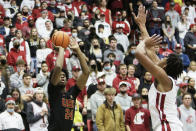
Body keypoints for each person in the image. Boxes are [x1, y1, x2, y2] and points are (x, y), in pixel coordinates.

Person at [133, 5, 183, 131]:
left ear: (165, 66)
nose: (160, 59)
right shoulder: (165, 76)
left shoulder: (163, 77)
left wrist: (144, 43)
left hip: (168, 127)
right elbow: (150, 50)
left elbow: (139, 53)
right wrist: (142, 25)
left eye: (164, 59)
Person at [47, 38, 89, 131]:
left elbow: (86, 72)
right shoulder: (53, 90)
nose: (62, 77)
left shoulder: (71, 94)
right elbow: (58, 66)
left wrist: (78, 50)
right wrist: (62, 48)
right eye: (59, 75)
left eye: (64, 76)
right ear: (53, 79)